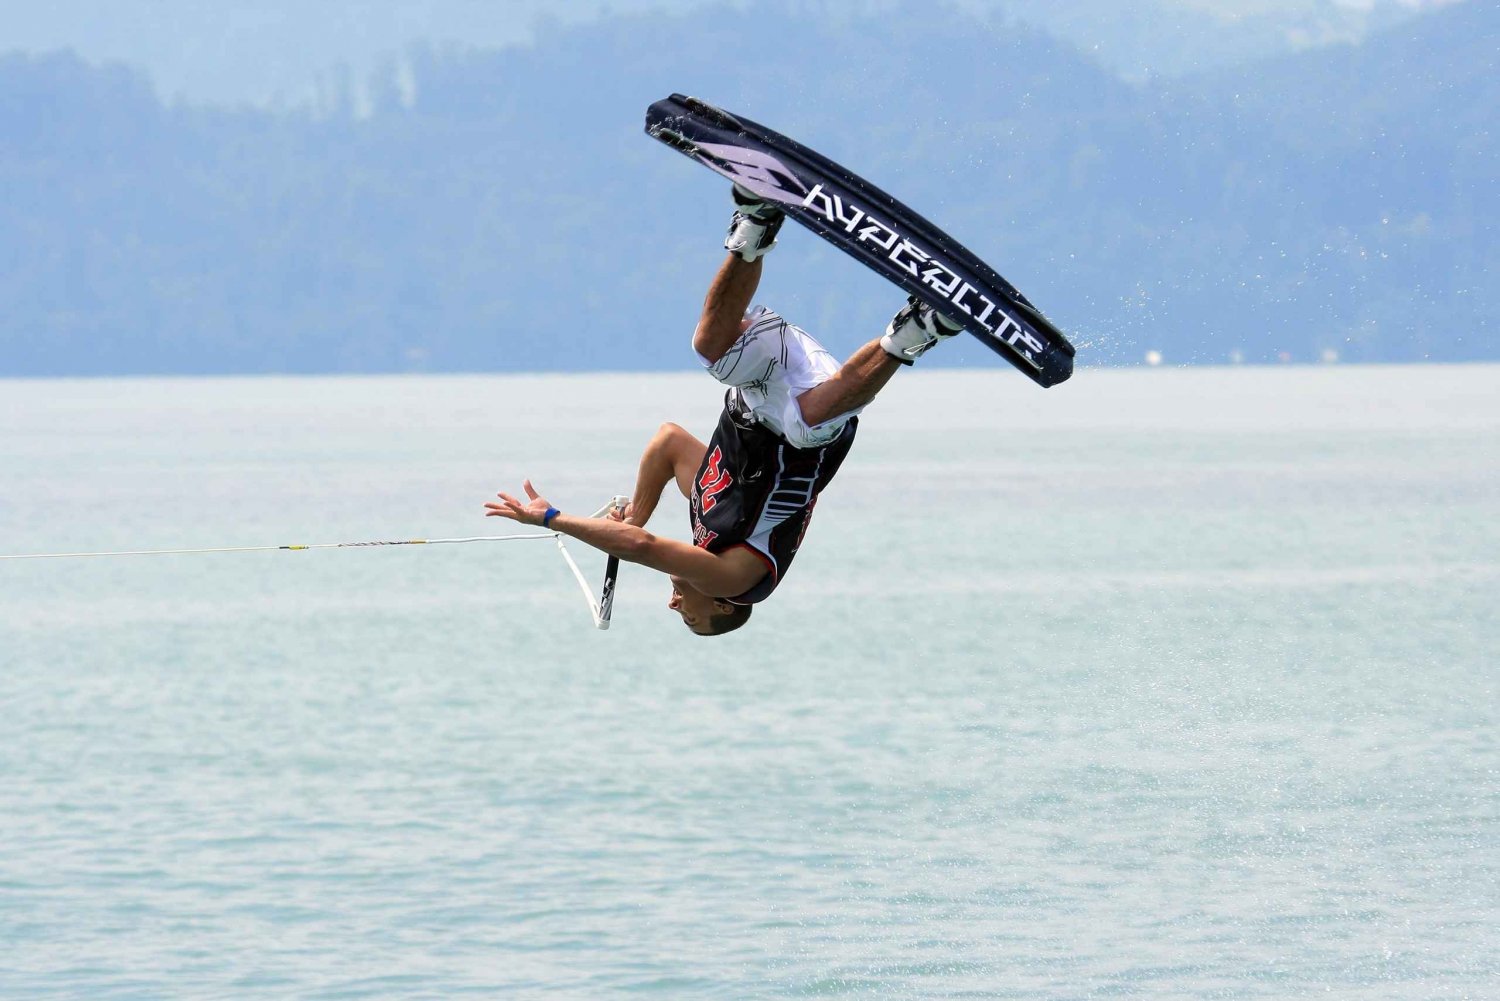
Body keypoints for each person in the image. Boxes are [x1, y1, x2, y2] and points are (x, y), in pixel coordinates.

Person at [485, 185, 962, 634]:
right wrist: (550, 519)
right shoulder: (736, 582)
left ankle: (754, 226)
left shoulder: (706, 517)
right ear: (720, 606)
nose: (674, 606)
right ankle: (919, 328)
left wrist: (638, 513)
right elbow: (644, 550)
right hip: (820, 413)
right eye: (689, 619)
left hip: (762, 387)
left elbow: (667, 442)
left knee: (710, 349)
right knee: (804, 425)